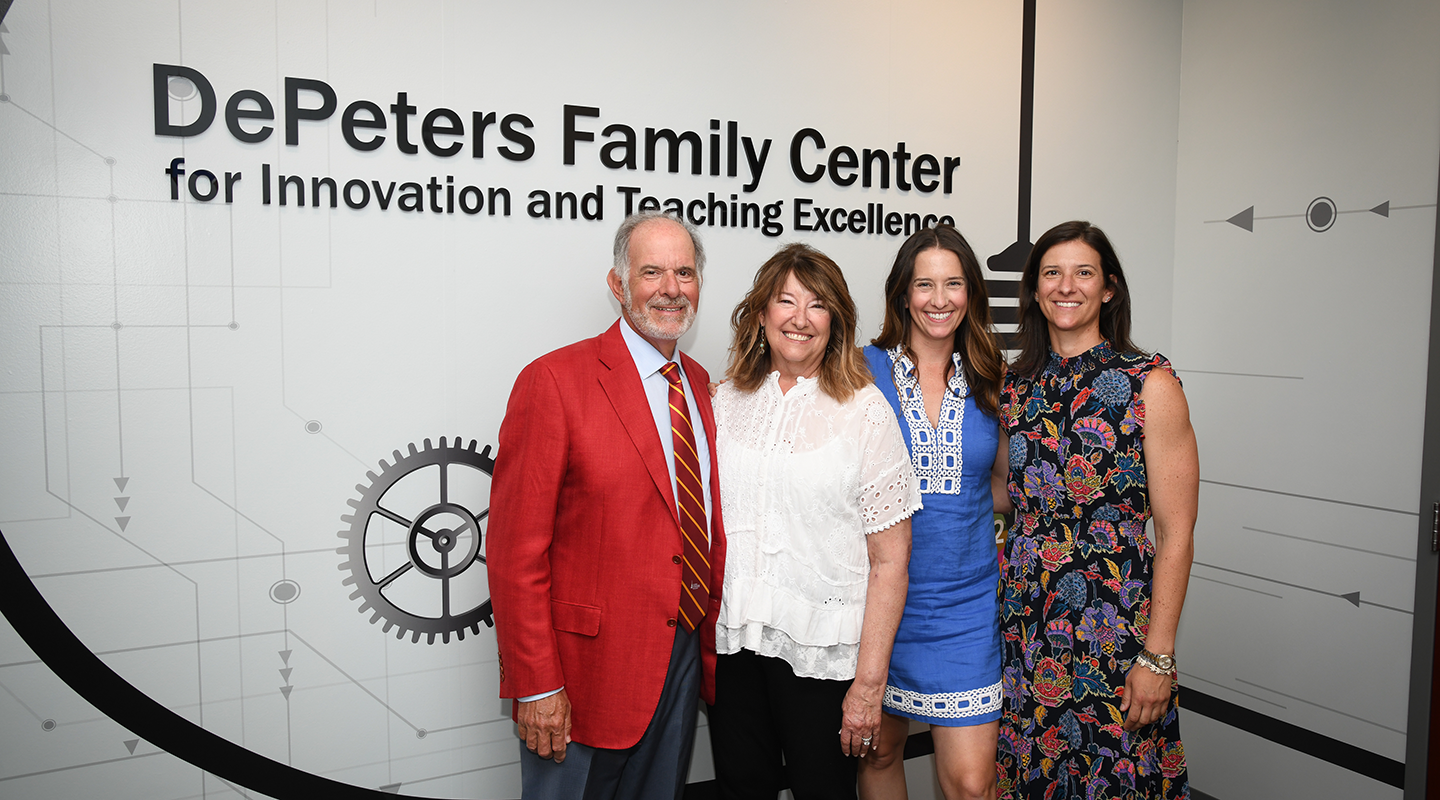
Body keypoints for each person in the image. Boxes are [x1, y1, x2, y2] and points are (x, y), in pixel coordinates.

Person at [488, 211, 727, 800]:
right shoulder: (554, 381)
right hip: (582, 679)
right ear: (618, 285)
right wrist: (537, 684)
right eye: (652, 272)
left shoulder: (701, 385)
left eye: (685, 272)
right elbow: (515, 552)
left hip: (680, 662)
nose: (671, 289)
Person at [707, 243, 919, 800]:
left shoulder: (867, 412)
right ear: (760, 315)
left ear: (837, 323)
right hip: (734, 649)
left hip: (824, 663)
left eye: (817, 305)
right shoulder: (723, 402)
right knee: (739, 790)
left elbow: (890, 560)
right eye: (785, 301)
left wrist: (868, 687)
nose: (799, 318)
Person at [993, 221, 1197, 799]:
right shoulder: (1015, 385)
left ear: (1109, 288)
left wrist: (1157, 657)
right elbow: (1009, 491)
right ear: (1034, 289)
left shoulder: (1148, 383)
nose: (1066, 286)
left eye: (1084, 272)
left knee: (1117, 778)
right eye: (1051, 273)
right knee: (1034, 775)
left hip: (1117, 623)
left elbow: (1177, 531)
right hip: (1030, 625)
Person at [857, 225, 1008, 800]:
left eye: (953, 284)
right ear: (903, 293)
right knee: (879, 753)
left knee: (972, 785)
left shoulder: (993, 378)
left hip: (966, 608)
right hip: (877, 605)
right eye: (924, 284)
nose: (939, 299)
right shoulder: (860, 371)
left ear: (971, 293)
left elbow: (1001, 487)